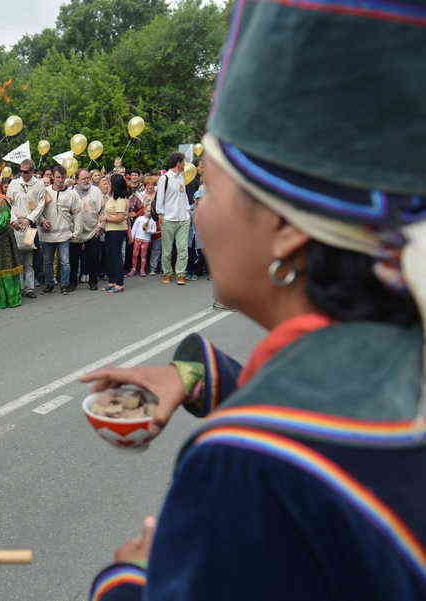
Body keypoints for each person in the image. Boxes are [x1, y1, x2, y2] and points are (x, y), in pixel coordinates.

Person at [80, 2, 426, 597]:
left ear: (287, 228)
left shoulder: (248, 460)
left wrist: (134, 574)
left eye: (209, 190)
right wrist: (192, 374)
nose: (200, 214)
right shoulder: (398, 347)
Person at [7, 159, 45, 298]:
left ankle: (29, 287)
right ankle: (19, 286)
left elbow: (41, 205)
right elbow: (9, 203)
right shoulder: (14, 183)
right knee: (17, 257)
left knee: (28, 257)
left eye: (26, 171)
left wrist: (29, 219)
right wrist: (13, 220)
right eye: (21, 171)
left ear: (32, 171)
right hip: (16, 224)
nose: (23, 174)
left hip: (29, 224)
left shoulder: (39, 184)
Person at [39, 164, 77, 294]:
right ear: (53, 178)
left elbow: (77, 213)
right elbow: (37, 210)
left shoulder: (71, 194)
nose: (60, 180)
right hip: (47, 234)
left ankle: (65, 284)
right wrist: (43, 221)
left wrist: (75, 231)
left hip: (64, 234)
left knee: (65, 261)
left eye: (62, 177)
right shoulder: (45, 192)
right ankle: (49, 284)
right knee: (47, 261)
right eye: (57, 177)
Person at [155, 152, 191, 285]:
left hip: (183, 218)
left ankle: (181, 273)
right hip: (168, 218)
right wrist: (160, 215)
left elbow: (184, 196)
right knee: (167, 249)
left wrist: (188, 211)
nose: (185, 164)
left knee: (182, 248)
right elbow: (160, 199)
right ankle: (166, 273)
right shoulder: (164, 178)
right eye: (183, 162)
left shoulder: (182, 178)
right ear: (178, 162)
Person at [69, 169, 104, 291]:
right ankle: (73, 282)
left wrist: (100, 226)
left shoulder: (96, 191)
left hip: (92, 230)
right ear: (76, 180)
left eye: (88, 178)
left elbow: (102, 210)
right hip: (75, 232)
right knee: (73, 259)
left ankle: (93, 282)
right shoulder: (71, 193)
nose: (86, 181)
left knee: (93, 258)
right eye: (83, 179)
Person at [101, 176, 129, 293]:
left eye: (110, 183)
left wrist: (106, 218)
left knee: (116, 256)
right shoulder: (112, 198)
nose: (108, 185)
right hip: (109, 230)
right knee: (110, 256)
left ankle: (119, 282)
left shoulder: (121, 200)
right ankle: (111, 281)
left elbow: (120, 217)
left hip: (117, 231)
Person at [127, 212, 156, 277]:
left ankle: (142, 269)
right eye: (147, 210)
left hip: (146, 240)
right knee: (135, 254)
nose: (148, 213)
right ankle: (133, 269)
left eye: (150, 211)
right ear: (144, 210)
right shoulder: (139, 218)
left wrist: (148, 230)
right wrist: (132, 237)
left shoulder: (152, 220)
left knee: (143, 255)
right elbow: (134, 228)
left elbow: (154, 230)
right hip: (138, 239)